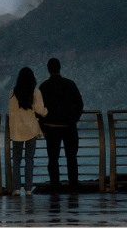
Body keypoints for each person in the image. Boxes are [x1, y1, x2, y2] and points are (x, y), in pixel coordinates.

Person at [38, 57, 84, 193]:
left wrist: (43, 127)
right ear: (60, 68)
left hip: (51, 128)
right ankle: (73, 187)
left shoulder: (44, 86)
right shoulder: (70, 84)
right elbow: (80, 104)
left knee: (53, 160)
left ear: (48, 70)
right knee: (71, 159)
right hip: (69, 127)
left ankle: (55, 188)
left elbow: (40, 111)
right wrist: (74, 119)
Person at [8, 66, 47, 195]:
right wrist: (48, 112)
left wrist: (12, 130)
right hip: (31, 129)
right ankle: (29, 188)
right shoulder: (35, 92)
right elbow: (40, 110)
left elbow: (11, 113)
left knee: (17, 160)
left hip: (17, 130)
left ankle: (16, 188)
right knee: (29, 159)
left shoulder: (14, 93)